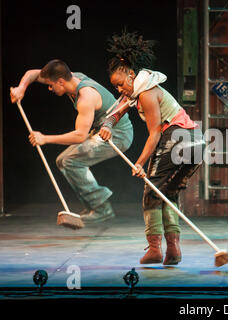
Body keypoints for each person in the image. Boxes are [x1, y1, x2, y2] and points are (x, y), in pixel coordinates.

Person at [98, 30, 204, 265]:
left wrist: (140, 163)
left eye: (119, 84)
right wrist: (107, 126)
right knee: (167, 194)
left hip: (178, 138)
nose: (119, 90)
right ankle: (173, 251)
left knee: (151, 194)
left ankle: (155, 249)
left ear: (131, 75)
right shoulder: (138, 90)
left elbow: (155, 133)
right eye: (115, 87)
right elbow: (115, 112)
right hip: (197, 141)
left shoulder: (145, 93)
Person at [10, 60, 133, 223]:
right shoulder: (71, 78)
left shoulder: (85, 97)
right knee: (62, 161)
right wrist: (21, 88)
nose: (49, 88)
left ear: (60, 81)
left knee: (70, 160)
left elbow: (79, 136)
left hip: (117, 134)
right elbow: (32, 73)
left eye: (51, 85)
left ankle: (101, 208)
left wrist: (45, 138)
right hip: (101, 131)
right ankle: (94, 205)